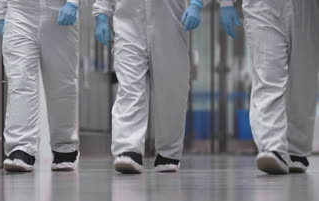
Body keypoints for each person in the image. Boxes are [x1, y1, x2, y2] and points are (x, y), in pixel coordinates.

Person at [93, 0, 241, 173]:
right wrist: (101, 16)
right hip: (128, 25)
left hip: (170, 25)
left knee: (172, 90)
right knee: (129, 88)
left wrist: (197, 4)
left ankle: (168, 153)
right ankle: (128, 149)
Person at [0, 0, 81, 172]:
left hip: (58, 10)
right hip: (19, 11)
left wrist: (73, 2)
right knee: (20, 81)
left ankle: (64, 147)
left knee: (61, 83)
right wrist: (0, 14)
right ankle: (21, 149)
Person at [243, 0, 319, 174]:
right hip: (261, 5)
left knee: (303, 79)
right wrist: (225, 4)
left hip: (307, 7)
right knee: (267, 75)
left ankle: (296, 150)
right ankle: (272, 147)